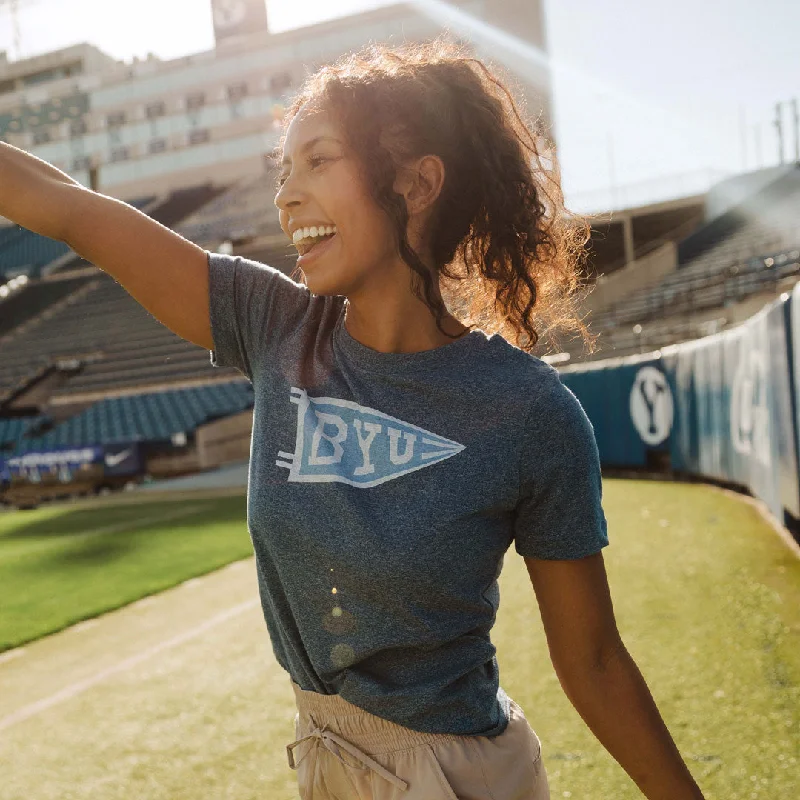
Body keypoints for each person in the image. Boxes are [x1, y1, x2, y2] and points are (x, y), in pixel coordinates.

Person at [0, 39, 705, 800]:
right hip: (329, 761)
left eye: (318, 161)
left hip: (460, 775)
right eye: (283, 171)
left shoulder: (530, 412)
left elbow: (595, 662)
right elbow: (68, 205)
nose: (286, 196)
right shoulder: (271, 326)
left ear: (418, 182)